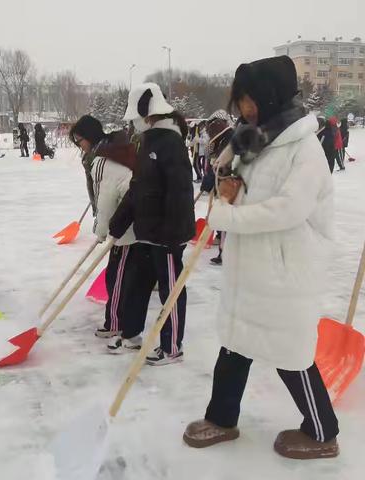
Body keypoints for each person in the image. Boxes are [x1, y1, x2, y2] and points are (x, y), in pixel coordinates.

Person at [183, 56, 339, 459]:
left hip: (286, 271)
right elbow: (243, 190)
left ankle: (323, 432)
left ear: (269, 96)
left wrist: (228, 215)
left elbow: (288, 209)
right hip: (251, 268)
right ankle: (221, 419)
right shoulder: (257, 141)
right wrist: (228, 180)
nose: (243, 109)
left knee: (292, 353)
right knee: (235, 343)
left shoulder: (303, 150)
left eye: (249, 100)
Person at [109, 82, 195, 366]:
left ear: (148, 115)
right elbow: (138, 187)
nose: (132, 125)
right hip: (146, 232)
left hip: (167, 235)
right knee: (136, 283)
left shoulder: (171, 144)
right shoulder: (147, 143)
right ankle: (132, 332)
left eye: (135, 119)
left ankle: (171, 346)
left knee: (170, 289)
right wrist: (120, 220)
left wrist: (172, 233)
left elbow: (181, 192)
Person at [70, 115, 141, 348]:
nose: (79, 145)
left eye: (79, 140)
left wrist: (103, 229)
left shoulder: (103, 160)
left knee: (118, 278)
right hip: (121, 223)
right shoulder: (100, 154)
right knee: (118, 276)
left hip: (125, 228)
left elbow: (109, 196)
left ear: (89, 136)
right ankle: (118, 321)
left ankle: (116, 322)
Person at [200, 109, 234, 265]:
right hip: (222, 184)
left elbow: (223, 164)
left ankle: (225, 253)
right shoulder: (221, 138)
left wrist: (210, 177)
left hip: (230, 187)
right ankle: (222, 245)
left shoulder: (229, 138)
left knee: (227, 219)